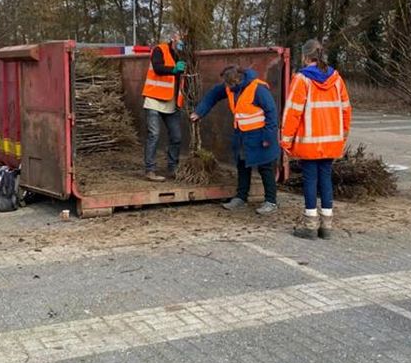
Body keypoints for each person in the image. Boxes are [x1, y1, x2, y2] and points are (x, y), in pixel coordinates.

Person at [280, 39, 351, 239]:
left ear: (305, 57)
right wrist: (342, 137)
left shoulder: (302, 79)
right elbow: (346, 110)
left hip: (309, 142)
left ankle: (310, 225)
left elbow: (292, 112)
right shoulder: (336, 79)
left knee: (310, 180)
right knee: (326, 179)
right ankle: (327, 226)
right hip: (331, 141)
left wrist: (285, 140)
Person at [191, 65, 280, 215]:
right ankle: (241, 197)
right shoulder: (230, 87)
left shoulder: (258, 89)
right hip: (242, 135)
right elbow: (213, 95)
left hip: (260, 135)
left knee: (266, 168)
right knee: (242, 165)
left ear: (237, 80)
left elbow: (271, 113)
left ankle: (271, 201)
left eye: (228, 84)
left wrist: (268, 137)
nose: (226, 87)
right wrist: (199, 112)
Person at [141, 30, 186, 182]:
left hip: (171, 101)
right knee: (154, 134)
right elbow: (158, 68)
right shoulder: (159, 50)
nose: (182, 43)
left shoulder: (183, 55)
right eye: (180, 39)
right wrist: (173, 70)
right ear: (174, 38)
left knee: (176, 137)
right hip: (154, 98)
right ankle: (150, 170)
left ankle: (172, 168)